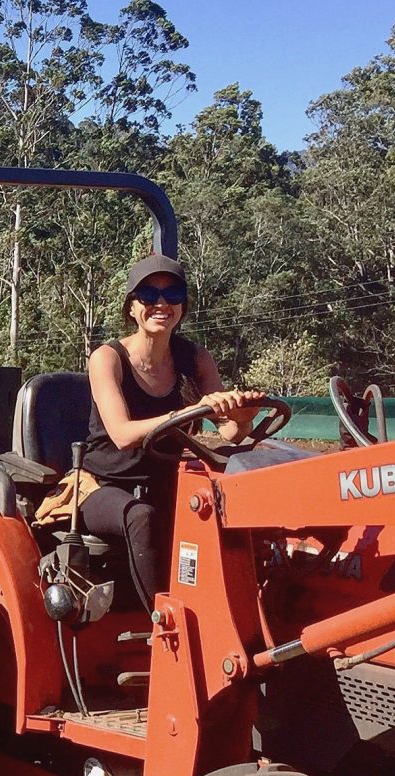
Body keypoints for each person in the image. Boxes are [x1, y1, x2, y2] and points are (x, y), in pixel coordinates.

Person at [79, 254, 264, 613]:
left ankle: (238, 613)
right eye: (148, 295)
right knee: (142, 516)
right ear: (132, 306)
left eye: (173, 293)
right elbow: (121, 434)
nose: (161, 304)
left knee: (231, 503)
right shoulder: (108, 358)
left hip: (169, 480)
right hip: (104, 486)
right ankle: (163, 625)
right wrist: (189, 411)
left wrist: (242, 416)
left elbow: (230, 432)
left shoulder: (195, 359)